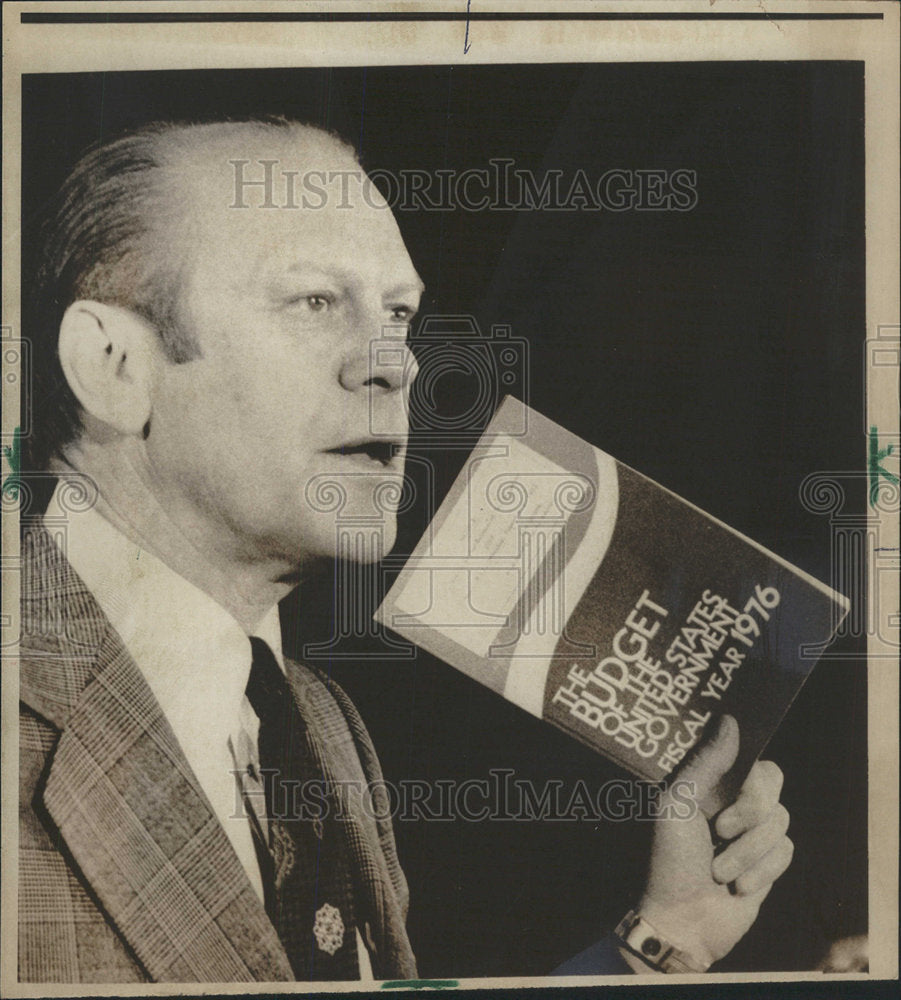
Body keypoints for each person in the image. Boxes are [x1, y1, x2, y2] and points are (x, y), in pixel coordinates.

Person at [18, 119, 793, 983]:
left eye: (398, 313)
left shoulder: (319, 726)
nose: (395, 365)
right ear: (114, 364)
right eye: (314, 302)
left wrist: (665, 935)